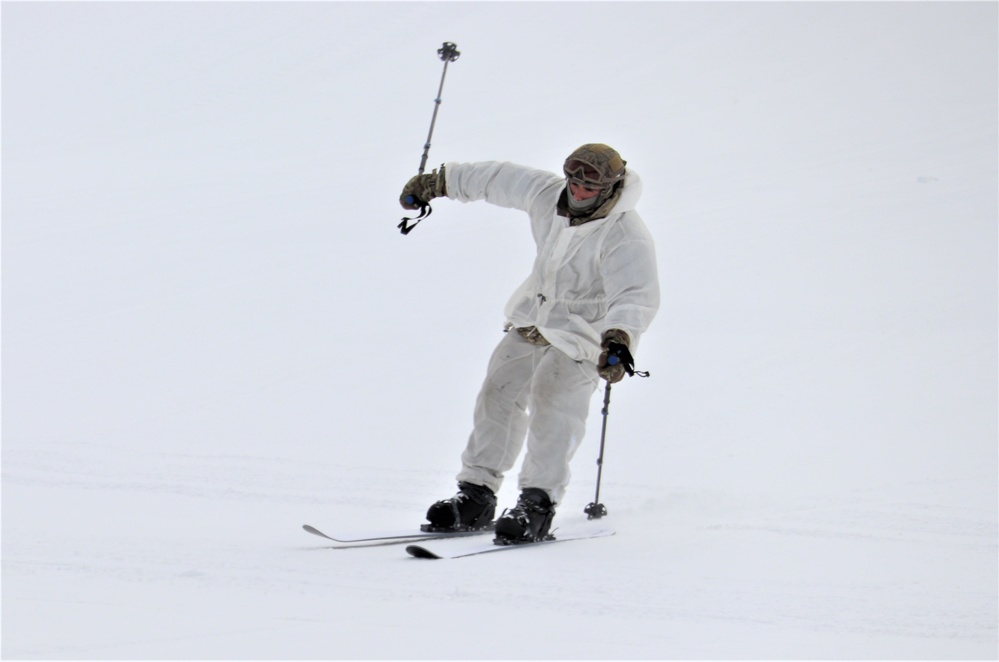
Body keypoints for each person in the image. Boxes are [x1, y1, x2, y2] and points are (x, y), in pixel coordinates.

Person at [398, 143, 660, 544]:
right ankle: (476, 495)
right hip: (534, 317)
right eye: (574, 179)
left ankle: (537, 504)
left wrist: (619, 339)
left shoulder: (625, 233)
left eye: (591, 185)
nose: (579, 190)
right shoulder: (547, 193)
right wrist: (440, 182)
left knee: (553, 402)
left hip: (583, 333)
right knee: (497, 396)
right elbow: (497, 178)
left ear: (611, 187)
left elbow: (635, 294)